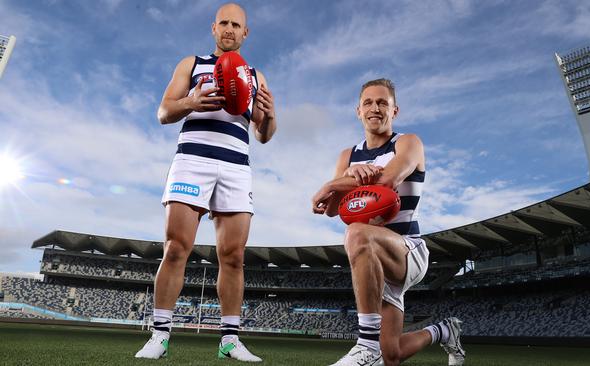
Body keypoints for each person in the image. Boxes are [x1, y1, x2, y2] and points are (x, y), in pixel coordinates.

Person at [135, 2, 275, 362]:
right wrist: (191, 101)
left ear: (246, 33)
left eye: (237, 25)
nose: (229, 29)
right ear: (214, 28)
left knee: (233, 256)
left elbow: (263, 135)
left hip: (235, 167)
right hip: (192, 161)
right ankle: (160, 334)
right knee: (176, 248)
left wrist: (269, 117)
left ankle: (229, 340)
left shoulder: (256, 75)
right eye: (224, 23)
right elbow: (164, 112)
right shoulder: (191, 64)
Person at [312, 79, 465, 366]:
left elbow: (387, 182)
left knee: (357, 232)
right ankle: (444, 331)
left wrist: (337, 181)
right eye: (368, 102)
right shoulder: (348, 155)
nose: (375, 108)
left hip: (408, 251)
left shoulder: (408, 143)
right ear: (358, 110)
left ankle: (366, 344)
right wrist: (347, 175)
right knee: (391, 355)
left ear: (395, 111)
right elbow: (332, 208)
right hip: (374, 263)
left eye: (383, 102)